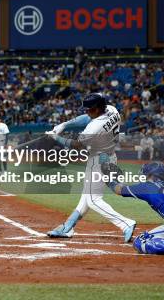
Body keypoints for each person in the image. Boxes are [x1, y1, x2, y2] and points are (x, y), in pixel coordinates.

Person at [46, 93, 136, 242]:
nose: (86, 112)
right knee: (86, 197)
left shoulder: (95, 127)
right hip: (110, 157)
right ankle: (67, 227)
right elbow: (87, 118)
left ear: (97, 108)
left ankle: (126, 223)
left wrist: (55, 137)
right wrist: (64, 125)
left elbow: (76, 145)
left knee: (93, 200)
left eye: (89, 109)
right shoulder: (112, 110)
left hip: (98, 162)